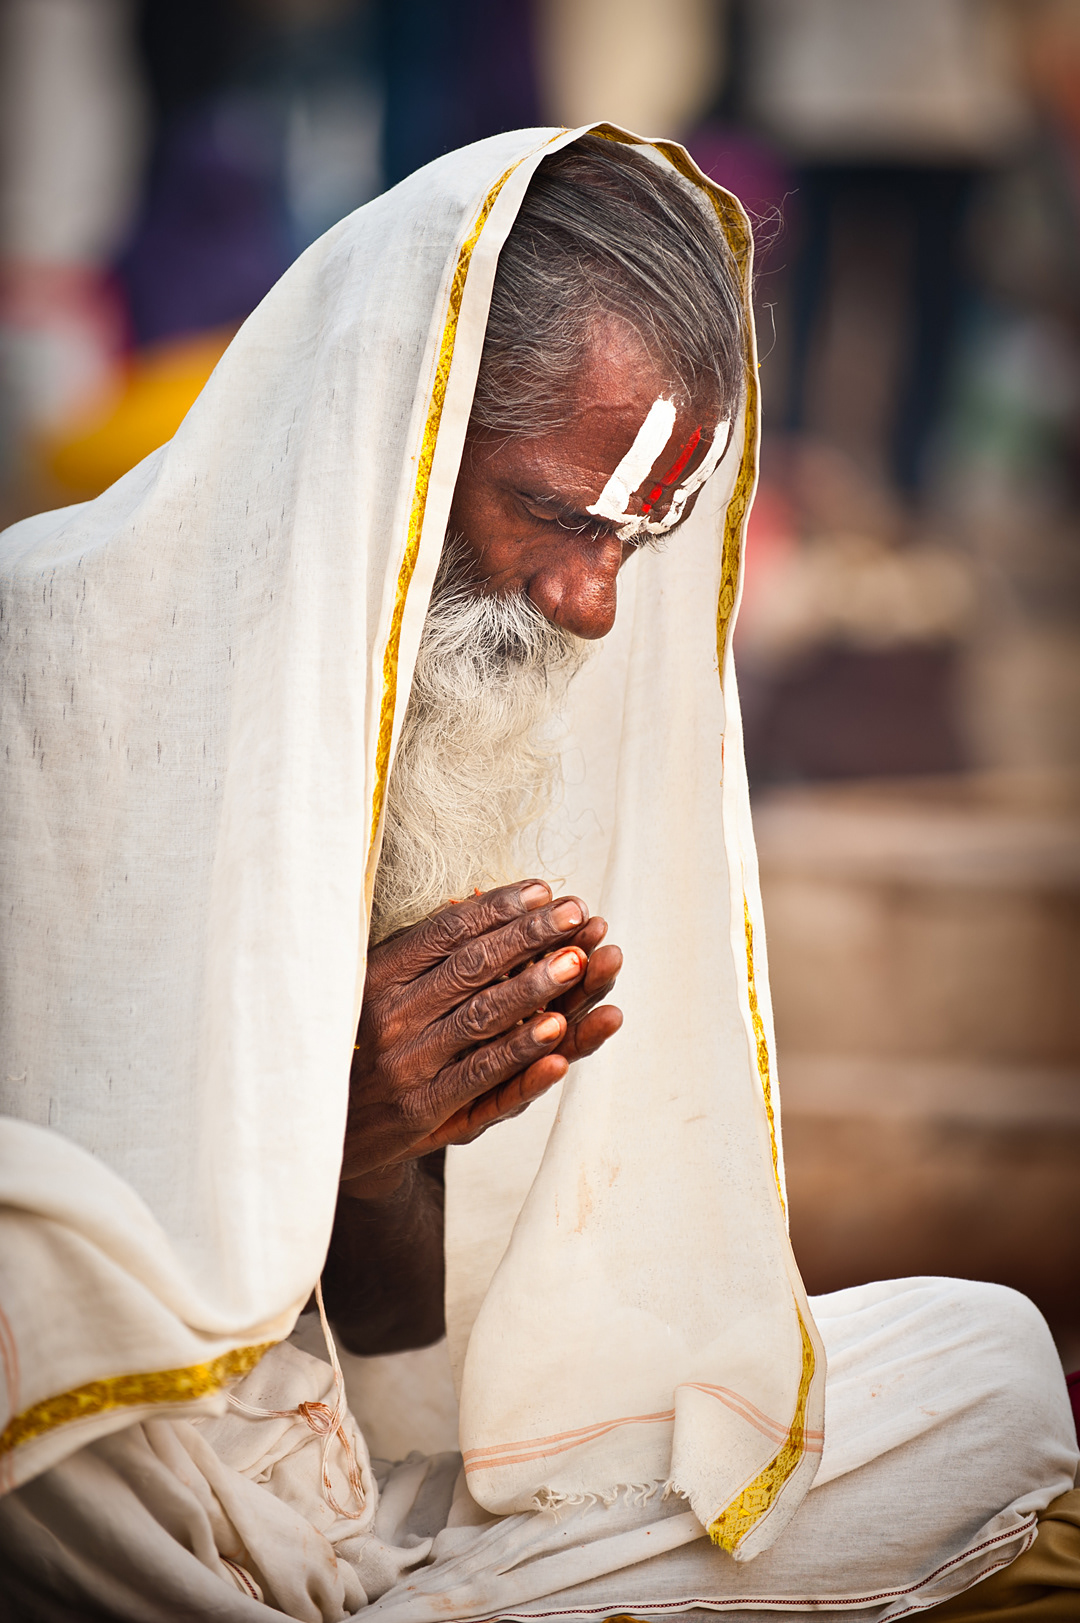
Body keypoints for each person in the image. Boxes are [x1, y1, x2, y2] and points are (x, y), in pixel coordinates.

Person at [0, 127, 1076, 1623]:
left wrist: (375, 1151)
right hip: (122, 1482)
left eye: (640, 541)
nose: (589, 607)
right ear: (398, 434)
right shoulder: (35, 663)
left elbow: (391, 1358)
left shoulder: (467, 724)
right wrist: (302, 1114)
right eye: (564, 517)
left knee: (992, 1371)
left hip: (368, 1501)